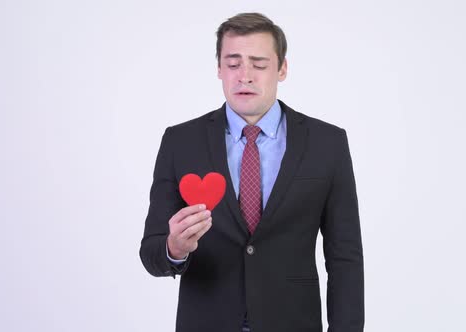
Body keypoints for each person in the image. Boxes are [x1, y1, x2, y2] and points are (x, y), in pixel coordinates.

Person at [139, 12, 364, 332]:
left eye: (259, 64)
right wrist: (174, 249)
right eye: (233, 64)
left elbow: (345, 258)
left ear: (282, 68)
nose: (245, 76)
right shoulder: (180, 142)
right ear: (218, 68)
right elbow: (151, 252)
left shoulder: (327, 143)